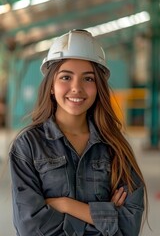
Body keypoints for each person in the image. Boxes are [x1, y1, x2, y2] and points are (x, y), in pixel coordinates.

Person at [9, 29, 147, 236]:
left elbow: (128, 226)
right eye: (66, 77)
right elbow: (29, 227)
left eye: (88, 79)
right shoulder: (28, 145)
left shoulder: (115, 147)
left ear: (98, 87)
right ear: (52, 87)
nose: (77, 88)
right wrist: (106, 215)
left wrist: (64, 205)